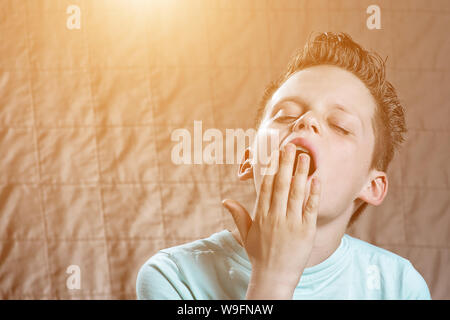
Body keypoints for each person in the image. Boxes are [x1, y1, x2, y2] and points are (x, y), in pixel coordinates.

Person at [136, 32, 431, 300]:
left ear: (372, 186)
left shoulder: (400, 286)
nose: (307, 121)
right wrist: (273, 278)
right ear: (249, 159)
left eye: (340, 126)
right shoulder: (174, 277)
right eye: (285, 114)